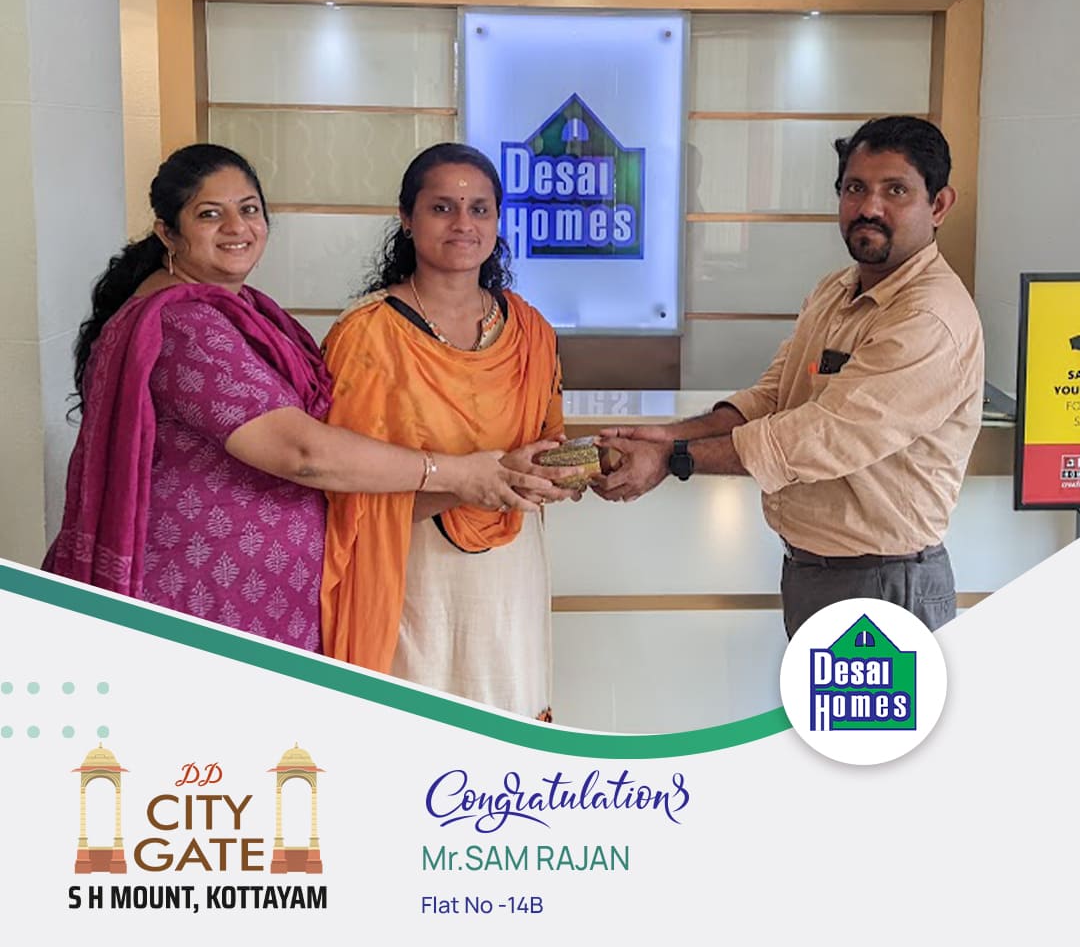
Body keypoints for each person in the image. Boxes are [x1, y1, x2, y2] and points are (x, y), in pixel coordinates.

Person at [44, 143, 564, 651]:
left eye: (249, 209)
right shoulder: (186, 327)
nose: (237, 228)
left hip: (269, 598)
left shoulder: (247, 310)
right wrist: (459, 475)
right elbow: (304, 452)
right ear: (168, 232)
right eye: (210, 214)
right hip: (209, 601)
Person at [593, 116, 985, 637]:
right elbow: (774, 397)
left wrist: (673, 459)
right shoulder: (835, 291)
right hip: (816, 573)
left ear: (938, 205)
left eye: (896, 190)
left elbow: (820, 437)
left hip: (885, 585)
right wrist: (668, 435)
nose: (869, 207)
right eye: (855, 188)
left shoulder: (928, 317)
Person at [320, 143, 573, 719]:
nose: (463, 223)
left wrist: (569, 471)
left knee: (510, 713)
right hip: (410, 569)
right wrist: (465, 484)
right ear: (407, 218)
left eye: (479, 209)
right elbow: (340, 488)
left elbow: (547, 448)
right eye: (442, 208)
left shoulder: (530, 331)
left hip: (510, 567)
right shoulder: (367, 335)